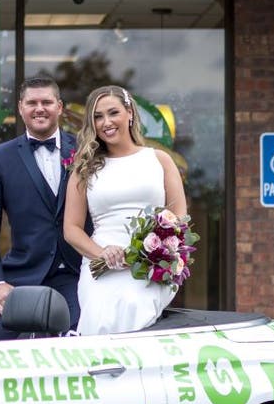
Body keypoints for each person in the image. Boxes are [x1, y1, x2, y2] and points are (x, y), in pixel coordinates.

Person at [63, 85, 188, 335]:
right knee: (100, 315)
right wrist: (102, 254)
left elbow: (179, 217)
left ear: (129, 112)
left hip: (150, 265)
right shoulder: (84, 169)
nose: (106, 122)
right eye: (97, 117)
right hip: (101, 266)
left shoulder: (159, 160)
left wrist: (150, 253)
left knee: (132, 305)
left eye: (113, 113)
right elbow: (71, 229)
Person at [0, 76, 85, 340]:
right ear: (20, 108)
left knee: (82, 349)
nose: (39, 108)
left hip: (78, 276)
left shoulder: (86, 150)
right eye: (32, 102)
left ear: (60, 107)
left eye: (47, 102)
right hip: (21, 278)